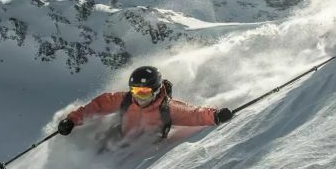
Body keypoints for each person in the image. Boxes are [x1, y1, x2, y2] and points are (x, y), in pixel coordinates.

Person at [57, 66, 232, 143]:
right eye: (135, 91)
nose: (139, 97)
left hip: (145, 147)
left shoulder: (168, 108)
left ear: (156, 90)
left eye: (144, 92)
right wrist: (71, 121)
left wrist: (216, 115)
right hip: (118, 138)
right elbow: (97, 107)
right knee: (99, 148)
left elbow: (195, 114)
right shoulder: (125, 99)